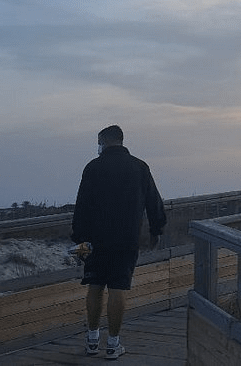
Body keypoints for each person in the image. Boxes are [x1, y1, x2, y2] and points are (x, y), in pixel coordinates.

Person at [70, 124, 167, 360]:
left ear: (104, 141)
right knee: (118, 288)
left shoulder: (93, 167)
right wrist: (156, 230)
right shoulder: (139, 167)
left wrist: (79, 239)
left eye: (99, 143)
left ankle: (92, 340)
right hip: (126, 239)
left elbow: (82, 205)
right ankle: (113, 344)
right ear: (121, 141)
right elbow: (153, 201)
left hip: (95, 240)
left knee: (94, 286)